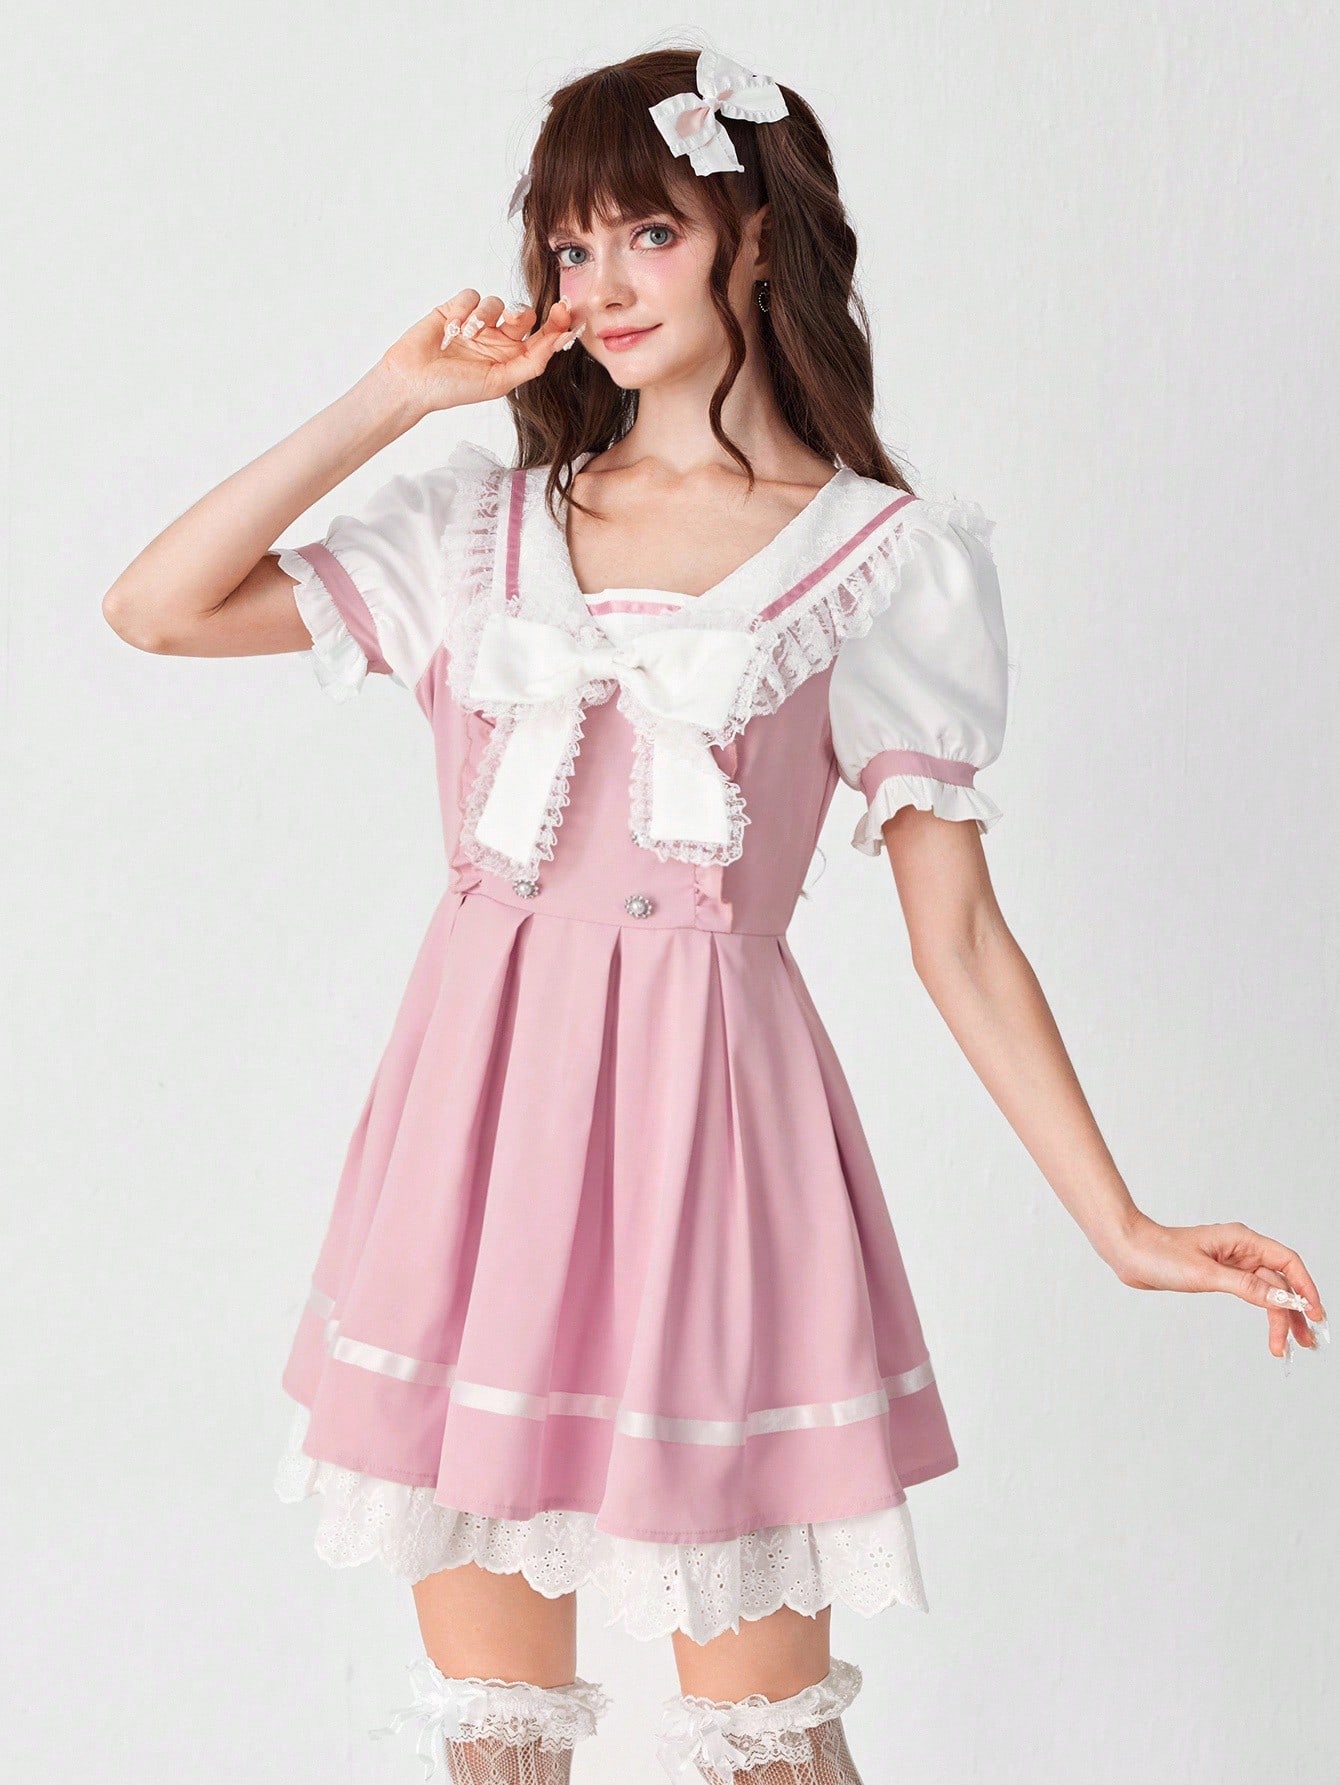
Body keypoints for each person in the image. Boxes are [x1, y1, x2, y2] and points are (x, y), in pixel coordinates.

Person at [101, 41, 1328, 1785]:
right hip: (476, 1155)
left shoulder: (881, 558)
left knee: (770, 1742)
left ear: (754, 240)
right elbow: (153, 608)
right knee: (495, 1741)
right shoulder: (479, 530)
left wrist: (1119, 1220)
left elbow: (960, 937)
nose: (598, 285)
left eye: (647, 235)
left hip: (715, 1155)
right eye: (568, 246)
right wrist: (393, 398)